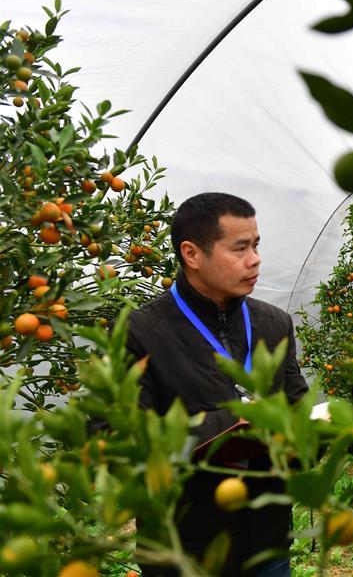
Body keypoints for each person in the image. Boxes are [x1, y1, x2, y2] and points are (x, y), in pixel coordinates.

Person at [127, 193, 307, 576]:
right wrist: (230, 426)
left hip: (268, 541)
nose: (255, 259)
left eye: (256, 245)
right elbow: (124, 440)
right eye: (240, 248)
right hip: (185, 549)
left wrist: (312, 435)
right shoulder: (143, 333)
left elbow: (297, 403)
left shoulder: (272, 324)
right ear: (192, 254)